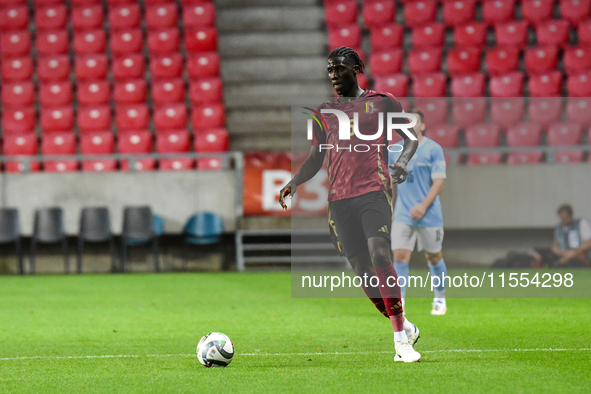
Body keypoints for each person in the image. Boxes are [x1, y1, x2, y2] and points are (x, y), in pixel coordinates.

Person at [279, 47, 422, 362]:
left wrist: (404, 163)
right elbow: (317, 156)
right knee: (360, 267)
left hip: (374, 190)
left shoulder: (383, 102)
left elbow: (410, 138)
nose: (333, 75)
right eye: (329, 70)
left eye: (339, 68)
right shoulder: (323, 111)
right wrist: (294, 181)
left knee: (380, 253)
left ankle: (401, 342)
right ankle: (405, 325)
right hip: (339, 200)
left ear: (356, 67)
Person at [389, 109, 448, 316]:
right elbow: (390, 184)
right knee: (400, 256)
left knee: (433, 256)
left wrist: (423, 205)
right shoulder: (393, 150)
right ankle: (400, 302)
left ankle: (440, 299)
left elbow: (439, 182)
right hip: (403, 213)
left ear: (422, 125)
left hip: (429, 213)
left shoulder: (433, 149)